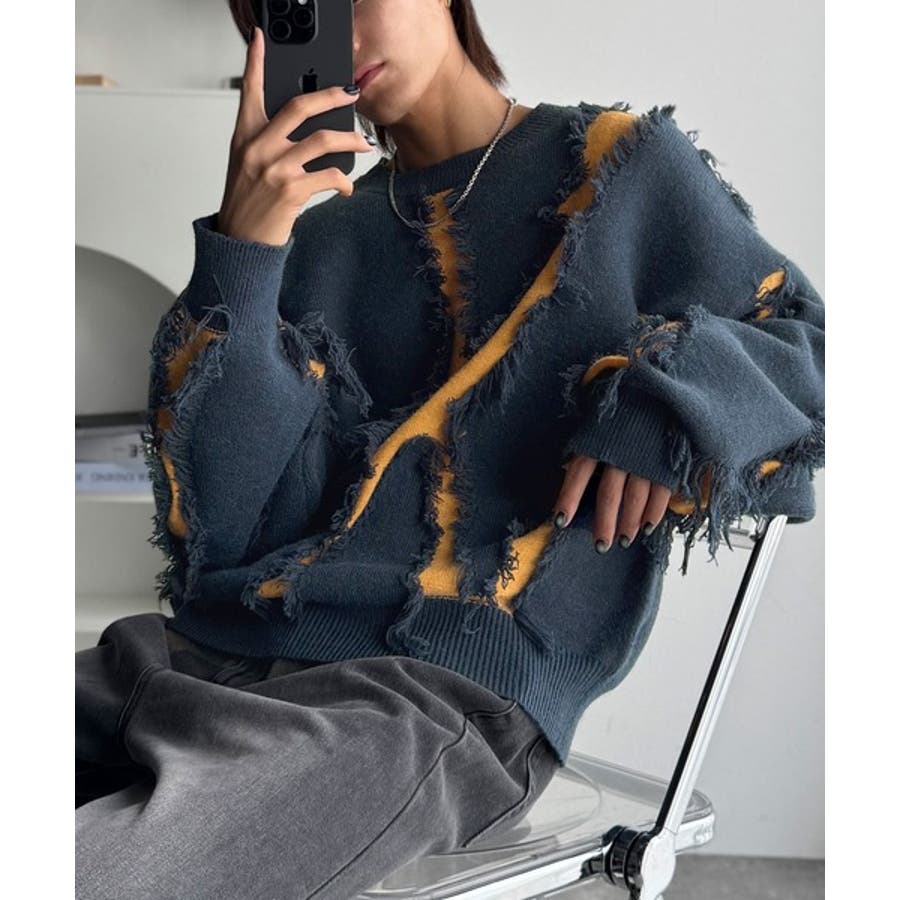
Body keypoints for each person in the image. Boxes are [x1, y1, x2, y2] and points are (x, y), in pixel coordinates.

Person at [75, 1, 826, 898]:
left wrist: (660, 407)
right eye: (298, 8)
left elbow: (812, 352)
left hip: (428, 701)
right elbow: (223, 532)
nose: (344, 35)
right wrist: (243, 253)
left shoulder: (620, 170)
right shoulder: (316, 230)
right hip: (191, 659)